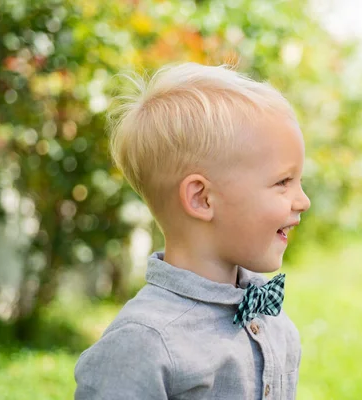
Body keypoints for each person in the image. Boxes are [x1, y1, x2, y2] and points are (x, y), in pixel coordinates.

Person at [74, 62, 311, 400]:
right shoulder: (145, 343)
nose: (303, 200)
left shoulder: (273, 320)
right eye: (283, 182)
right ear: (202, 198)